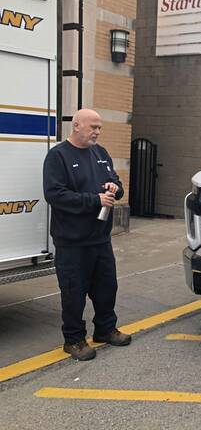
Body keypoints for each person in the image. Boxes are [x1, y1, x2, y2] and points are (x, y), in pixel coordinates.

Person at [43, 109, 131, 361]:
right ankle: (73, 340)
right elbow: (54, 195)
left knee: (107, 287)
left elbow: (116, 184)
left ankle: (105, 329)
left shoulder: (100, 153)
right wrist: (94, 200)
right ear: (77, 126)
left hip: (100, 238)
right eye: (93, 127)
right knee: (74, 292)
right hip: (72, 241)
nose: (97, 132)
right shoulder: (58, 156)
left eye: (100, 127)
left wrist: (115, 187)